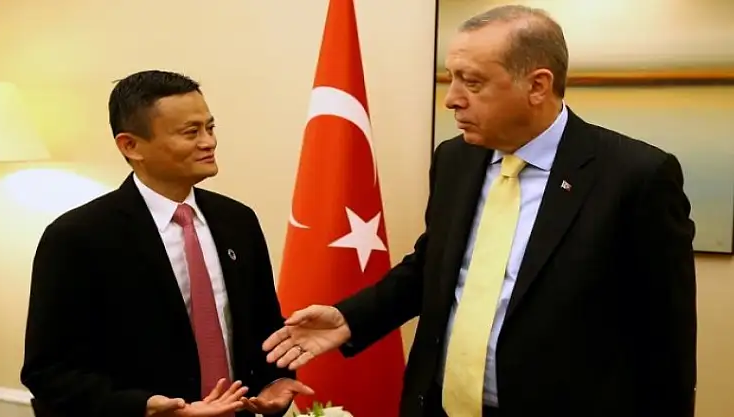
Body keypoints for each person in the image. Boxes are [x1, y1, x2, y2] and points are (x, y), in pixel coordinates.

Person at [262, 5, 697, 417]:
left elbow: (667, 339)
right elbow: (432, 266)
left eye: (472, 82)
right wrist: (350, 318)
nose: (452, 99)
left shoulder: (636, 176)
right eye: (451, 78)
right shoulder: (455, 159)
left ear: (537, 86)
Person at [21, 70, 313, 417]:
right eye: (191, 132)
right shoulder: (77, 237)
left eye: (210, 127)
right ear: (130, 146)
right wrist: (144, 407)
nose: (208, 142)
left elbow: (264, 326)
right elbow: (48, 371)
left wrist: (275, 380)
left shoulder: (238, 220)